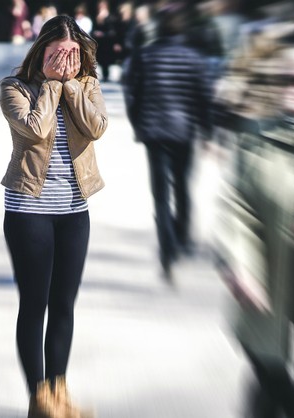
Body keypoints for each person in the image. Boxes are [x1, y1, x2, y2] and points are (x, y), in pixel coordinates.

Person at [0, 14, 107, 418]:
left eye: (74, 54)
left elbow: (96, 127)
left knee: (64, 305)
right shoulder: (15, 87)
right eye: (59, 53)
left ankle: (59, 393)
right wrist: (50, 84)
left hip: (75, 212)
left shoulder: (88, 86)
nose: (67, 61)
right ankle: (39, 399)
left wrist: (71, 87)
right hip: (29, 212)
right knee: (34, 305)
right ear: (41, 51)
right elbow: (36, 128)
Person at [122, 7, 212, 281]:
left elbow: (132, 93)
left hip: (155, 132)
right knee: (183, 186)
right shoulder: (194, 58)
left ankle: (167, 249)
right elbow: (203, 97)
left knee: (161, 195)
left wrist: (137, 124)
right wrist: (207, 131)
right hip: (184, 132)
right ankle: (182, 237)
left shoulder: (145, 56)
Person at [92, 0, 118, 81]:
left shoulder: (110, 17)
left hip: (107, 42)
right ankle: (104, 75)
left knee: (106, 59)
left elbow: (112, 31)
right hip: (100, 43)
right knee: (101, 59)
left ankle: (106, 75)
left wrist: (103, 34)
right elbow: (94, 29)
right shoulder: (97, 17)